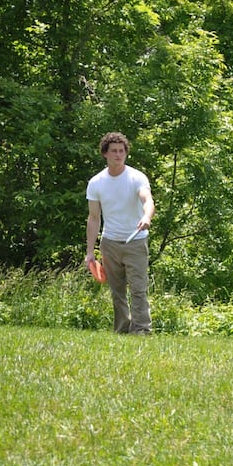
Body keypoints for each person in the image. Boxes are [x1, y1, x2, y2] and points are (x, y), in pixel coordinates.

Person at [85, 132, 155, 334]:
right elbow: (94, 218)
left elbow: (147, 200)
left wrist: (146, 217)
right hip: (110, 243)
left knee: (138, 290)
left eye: (121, 151)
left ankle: (141, 330)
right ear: (105, 154)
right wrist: (90, 252)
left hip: (135, 241)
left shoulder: (136, 177)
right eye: (114, 151)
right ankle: (122, 330)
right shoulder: (96, 182)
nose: (118, 155)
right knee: (117, 292)